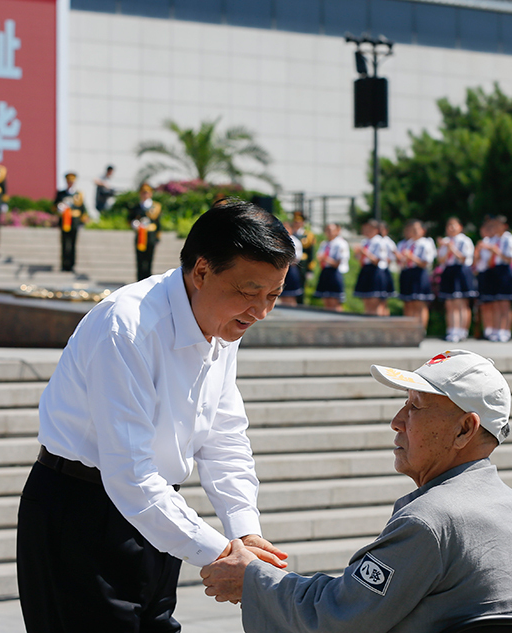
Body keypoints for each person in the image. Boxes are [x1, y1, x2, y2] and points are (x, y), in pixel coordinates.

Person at [17, 199, 294, 633]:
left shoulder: (224, 322)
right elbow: (129, 474)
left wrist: (245, 530)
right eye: (249, 292)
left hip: (157, 513)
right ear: (202, 271)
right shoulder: (127, 326)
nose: (260, 312)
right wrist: (222, 555)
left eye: (273, 295)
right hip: (83, 517)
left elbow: (224, 435)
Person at [201, 349, 512, 633]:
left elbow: (339, 616)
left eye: (415, 407)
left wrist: (253, 577)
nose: (397, 420)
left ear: (464, 429)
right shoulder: (507, 503)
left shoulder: (430, 521)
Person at [436, 217, 475, 342]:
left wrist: (451, 248)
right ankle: (451, 329)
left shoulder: (465, 241)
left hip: (461, 271)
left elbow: (464, 258)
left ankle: (462, 330)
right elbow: (441, 260)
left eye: (454, 225)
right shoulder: (446, 241)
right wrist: (445, 248)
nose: (451, 228)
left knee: (461, 302)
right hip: (449, 270)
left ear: (460, 227)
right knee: (449, 302)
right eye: (449, 225)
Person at [396, 219, 436, 330]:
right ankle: (408, 330)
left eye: (415, 229)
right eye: (410, 229)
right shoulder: (405, 244)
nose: (412, 232)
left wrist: (411, 257)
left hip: (419, 274)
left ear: (423, 230)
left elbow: (426, 262)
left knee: (419, 303)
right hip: (406, 273)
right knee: (408, 302)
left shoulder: (426, 243)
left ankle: (421, 330)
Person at [354, 219, 395, 316]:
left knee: (376, 302)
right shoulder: (365, 241)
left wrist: (364, 252)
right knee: (366, 302)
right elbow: (360, 258)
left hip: (376, 271)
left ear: (376, 230)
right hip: (366, 270)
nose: (366, 231)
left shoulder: (380, 241)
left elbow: (377, 260)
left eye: (369, 229)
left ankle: (378, 327)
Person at [54, 172, 88, 272]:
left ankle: (72, 264)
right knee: (64, 243)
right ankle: (64, 264)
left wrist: (83, 219)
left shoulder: (78, 194)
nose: (70, 183)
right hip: (64, 221)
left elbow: (82, 208)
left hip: (74, 221)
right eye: (69, 181)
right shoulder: (61, 193)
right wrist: (59, 208)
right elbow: (54, 205)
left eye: (72, 181)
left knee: (73, 243)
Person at [313, 222, 350, 312]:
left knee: (335, 301)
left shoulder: (341, 243)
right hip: (325, 271)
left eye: (331, 230)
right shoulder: (325, 244)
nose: (329, 232)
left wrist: (325, 259)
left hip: (335, 272)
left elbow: (338, 262)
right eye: (327, 230)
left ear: (337, 231)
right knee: (326, 300)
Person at [129, 183, 163, 281]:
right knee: (140, 260)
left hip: (151, 236)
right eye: (143, 193)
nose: (145, 195)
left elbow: (158, 223)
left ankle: (147, 279)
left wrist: (158, 236)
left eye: (147, 193)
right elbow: (130, 219)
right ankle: (139, 279)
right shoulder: (136, 207)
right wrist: (134, 223)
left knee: (149, 259)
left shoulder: (155, 207)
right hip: (140, 236)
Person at [291, 212, 317, 305]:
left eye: (299, 222)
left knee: (301, 286)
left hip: (303, 264)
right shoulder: (290, 233)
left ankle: (300, 304)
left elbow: (311, 254)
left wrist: (310, 269)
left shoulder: (308, 235)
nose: (296, 224)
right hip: (291, 264)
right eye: (295, 221)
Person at [279, 222, 304, 306]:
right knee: (283, 295)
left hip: (291, 268)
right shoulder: (279, 240)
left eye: (287, 228)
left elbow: (297, 257)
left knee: (291, 296)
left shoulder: (295, 241)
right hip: (281, 268)